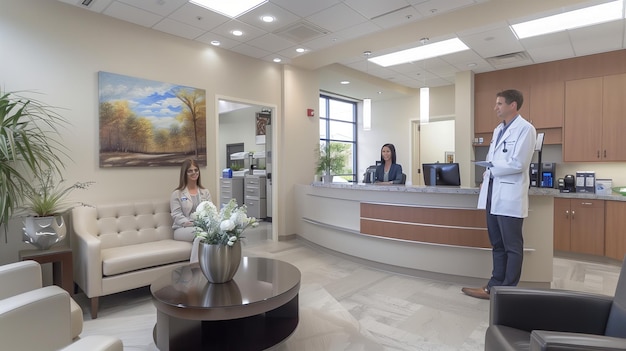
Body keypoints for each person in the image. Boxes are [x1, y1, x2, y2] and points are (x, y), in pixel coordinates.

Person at [462, 89, 536, 300]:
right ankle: (493, 287)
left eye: (499, 104)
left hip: (510, 195)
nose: (496, 107)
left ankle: (508, 292)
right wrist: (488, 172)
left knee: (512, 246)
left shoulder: (526, 129)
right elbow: (494, 158)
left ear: (512, 105)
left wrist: (491, 169)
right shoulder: (497, 130)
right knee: (497, 244)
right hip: (493, 193)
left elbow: (519, 163)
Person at [170, 158, 212, 263]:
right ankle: (195, 268)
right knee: (200, 233)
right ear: (184, 173)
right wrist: (189, 223)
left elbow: (210, 211)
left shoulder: (205, 192)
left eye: (196, 170)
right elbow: (176, 214)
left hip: (201, 227)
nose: (194, 173)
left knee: (203, 235)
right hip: (182, 229)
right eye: (190, 171)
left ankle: (206, 266)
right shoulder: (177, 194)